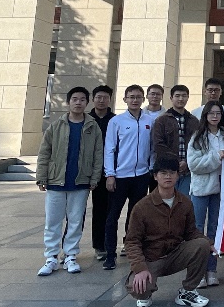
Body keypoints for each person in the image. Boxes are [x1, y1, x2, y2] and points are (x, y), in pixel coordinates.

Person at [122, 157, 212, 307]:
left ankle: (188, 291)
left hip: (175, 255)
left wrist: (208, 243)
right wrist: (140, 268)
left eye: (172, 173)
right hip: (151, 258)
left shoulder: (185, 203)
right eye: (163, 173)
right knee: (139, 290)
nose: (168, 176)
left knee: (202, 244)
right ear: (155, 176)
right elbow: (132, 241)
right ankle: (147, 290)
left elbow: (190, 232)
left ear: (177, 175)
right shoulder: (142, 207)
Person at [36, 87, 104, 276]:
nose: (78, 103)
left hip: (81, 182)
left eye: (82, 99)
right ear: (68, 102)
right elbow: (44, 152)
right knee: (53, 221)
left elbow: (98, 154)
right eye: (74, 99)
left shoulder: (92, 127)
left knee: (75, 221)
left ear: (87, 103)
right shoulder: (56, 126)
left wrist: (95, 177)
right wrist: (41, 176)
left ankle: (70, 256)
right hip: (56, 181)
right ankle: (51, 257)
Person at [103, 85, 154, 270]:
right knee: (113, 216)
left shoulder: (149, 121)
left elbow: (152, 148)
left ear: (143, 99)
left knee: (135, 216)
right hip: (120, 176)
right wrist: (110, 174)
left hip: (141, 176)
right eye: (131, 97)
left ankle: (132, 250)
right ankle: (110, 254)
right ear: (125, 99)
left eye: (138, 97)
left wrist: (151, 168)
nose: (135, 100)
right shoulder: (116, 121)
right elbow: (109, 149)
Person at [186, 101, 224, 288]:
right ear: (205, 115)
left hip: (221, 188)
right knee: (197, 229)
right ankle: (197, 272)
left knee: (215, 229)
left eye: (218, 113)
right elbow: (194, 165)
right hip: (202, 188)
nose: (215, 117)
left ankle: (212, 270)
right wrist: (216, 157)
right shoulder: (197, 137)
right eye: (211, 113)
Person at [151, 85, 201, 196]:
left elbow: (198, 144)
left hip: (188, 170)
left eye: (184, 96)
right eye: (177, 96)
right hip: (167, 169)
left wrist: (187, 162)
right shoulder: (161, 120)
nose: (180, 99)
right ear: (171, 98)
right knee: (166, 200)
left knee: (184, 201)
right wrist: (176, 161)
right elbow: (158, 144)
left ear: (188, 98)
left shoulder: (194, 121)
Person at [88, 84, 116, 261]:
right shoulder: (86, 119)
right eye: (98, 97)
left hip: (107, 171)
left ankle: (103, 245)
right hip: (86, 169)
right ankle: (69, 249)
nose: (101, 100)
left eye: (105, 97)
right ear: (93, 99)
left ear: (110, 100)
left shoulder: (115, 120)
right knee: (76, 212)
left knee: (104, 208)